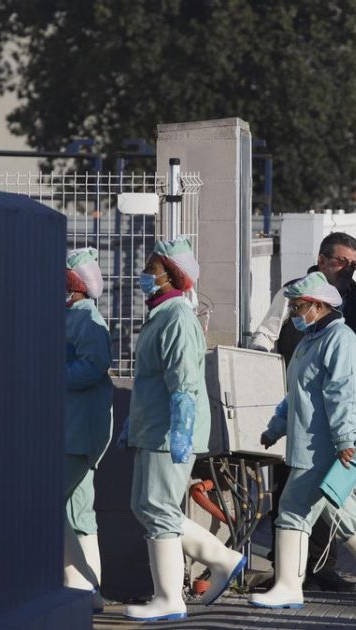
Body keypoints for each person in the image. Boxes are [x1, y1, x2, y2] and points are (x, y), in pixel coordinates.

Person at [248, 272, 356, 609]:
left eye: (298, 306)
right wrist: (276, 427)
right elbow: (296, 395)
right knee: (345, 517)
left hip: (323, 449)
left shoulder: (341, 342)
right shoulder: (312, 340)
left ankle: (288, 586)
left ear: (319, 305)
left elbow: (345, 398)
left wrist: (344, 444)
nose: (293, 312)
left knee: (293, 511)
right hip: (313, 445)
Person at [122, 237, 246, 622]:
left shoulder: (176, 319)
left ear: (170, 276)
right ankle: (223, 558)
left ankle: (169, 597)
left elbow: (184, 383)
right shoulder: (163, 315)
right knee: (146, 506)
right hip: (154, 427)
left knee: (157, 508)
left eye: (151, 269)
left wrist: (180, 430)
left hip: (167, 431)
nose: (145, 275)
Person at [248, 231, 356, 593]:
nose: (346, 269)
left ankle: (318, 568)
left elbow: (350, 371)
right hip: (297, 411)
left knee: (331, 502)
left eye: (353, 264)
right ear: (321, 258)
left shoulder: (353, 305)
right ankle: (287, 571)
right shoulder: (292, 293)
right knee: (295, 497)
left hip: (331, 421)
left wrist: (347, 427)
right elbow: (264, 337)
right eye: (340, 261)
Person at [64, 247, 113, 611]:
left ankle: (80, 585)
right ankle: (89, 592)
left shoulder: (84, 318)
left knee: (54, 504)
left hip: (77, 428)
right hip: (78, 427)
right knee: (79, 510)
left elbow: (92, 367)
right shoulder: (77, 315)